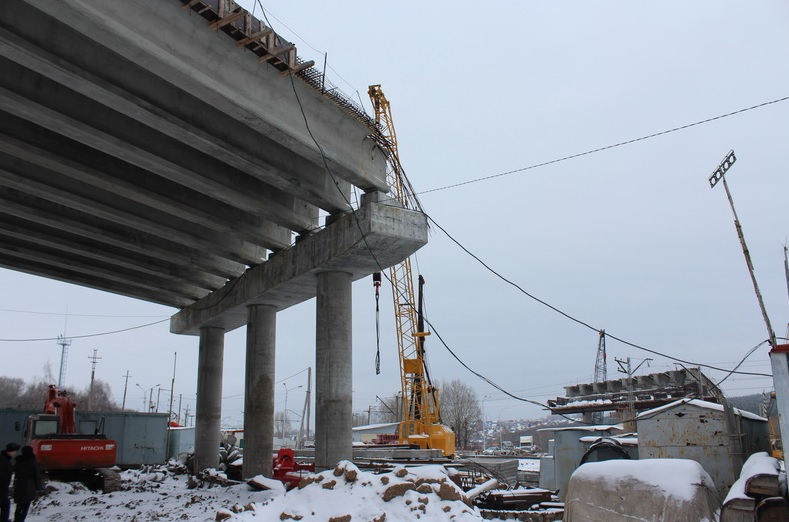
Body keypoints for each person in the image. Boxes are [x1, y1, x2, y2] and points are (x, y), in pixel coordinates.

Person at [12, 446, 40, 522]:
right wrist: (39, 488)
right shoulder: (33, 461)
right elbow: (36, 475)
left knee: (19, 506)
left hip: (19, 486)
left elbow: (14, 471)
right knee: (25, 506)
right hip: (29, 487)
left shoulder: (19, 461)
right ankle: (21, 520)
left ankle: (16, 520)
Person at [0, 443, 19, 522]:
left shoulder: (5, 459)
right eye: (15, 451)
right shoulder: (3, 461)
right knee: (5, 506)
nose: (16, 453)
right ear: (10, 451)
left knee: (6, 505)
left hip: (3, 489)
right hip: (1, 489)